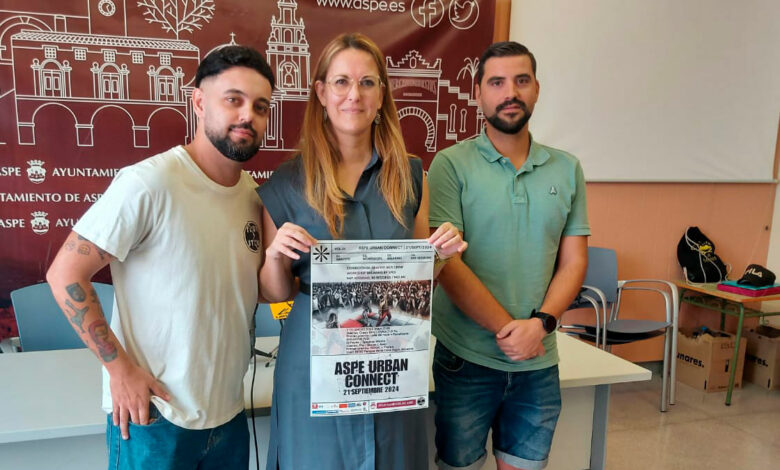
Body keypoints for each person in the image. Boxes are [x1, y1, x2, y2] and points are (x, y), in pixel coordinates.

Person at [45, 45, 275, 469]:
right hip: (154, 417)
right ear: (199, 102)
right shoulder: (149, 183)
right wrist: (120, 371)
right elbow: (65, 274)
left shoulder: (254, 197)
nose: (248, 115)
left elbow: (251, 291)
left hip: (228, 415)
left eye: (260, 106)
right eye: (233, 99)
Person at [256, 33, 467, 470]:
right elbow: (274, 294)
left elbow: (420, 276)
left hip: (392, 354)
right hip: (314, 360)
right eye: (341, 82)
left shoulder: (411, 175)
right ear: (321, 92)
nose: (354, 95)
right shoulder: (287, 182)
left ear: (382, 94)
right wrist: (275, 256)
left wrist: (441, 254)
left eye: (367, 82)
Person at [428, 41, 590, 470]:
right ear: (478, 92)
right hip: (466, 359)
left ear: (536, 88)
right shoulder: (449, 165)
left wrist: (541, 326)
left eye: (521, 80)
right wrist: (509, 331)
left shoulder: (567, 169)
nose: (510, 93)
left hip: (539, 359)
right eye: (497, 82)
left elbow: (574, 261)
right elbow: (446, 263)